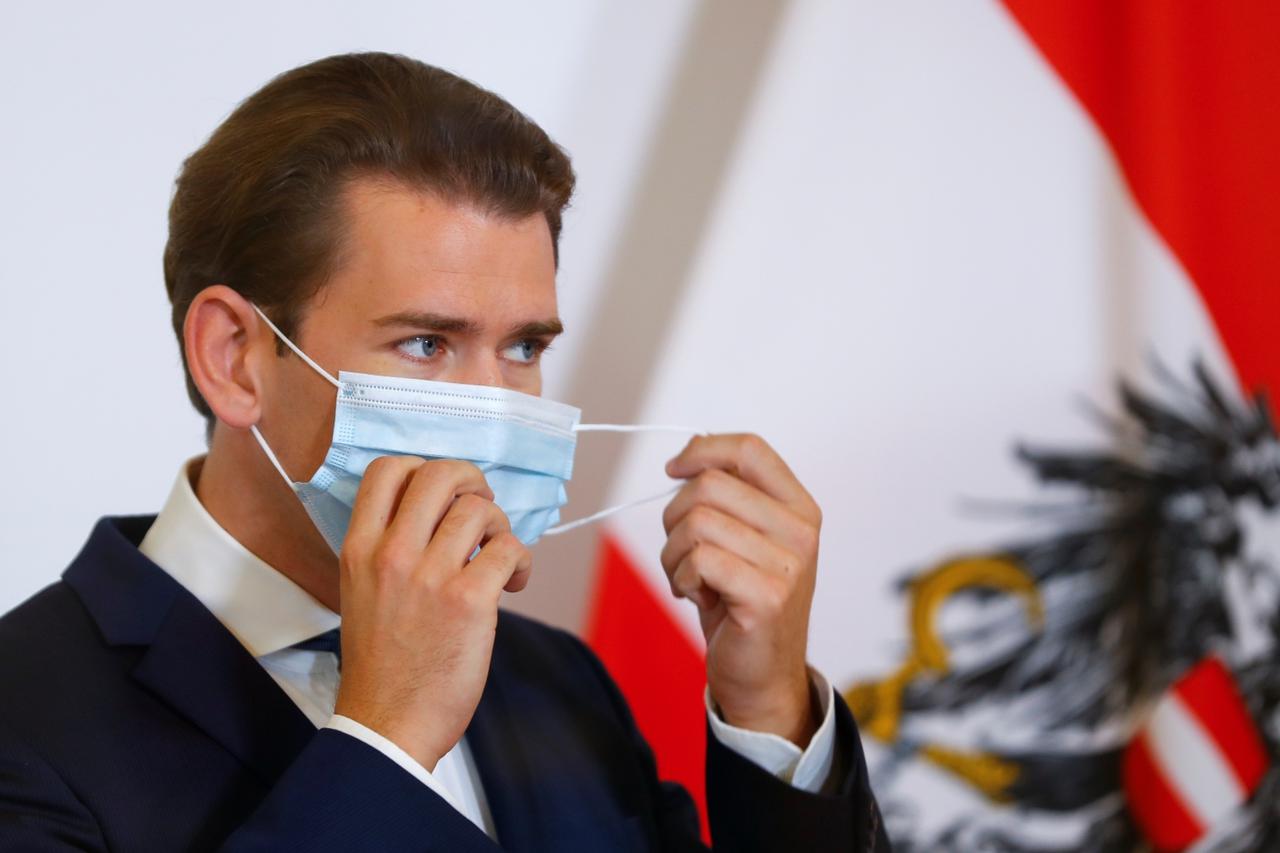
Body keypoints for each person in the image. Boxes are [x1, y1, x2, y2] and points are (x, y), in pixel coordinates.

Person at [0, 52, 887, 851]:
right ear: (235, 356)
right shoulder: (26, 720)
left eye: (526, 348)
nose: (497, 414)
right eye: (427, 343)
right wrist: (385, 738)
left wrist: (767, 708)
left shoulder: (558, 681)